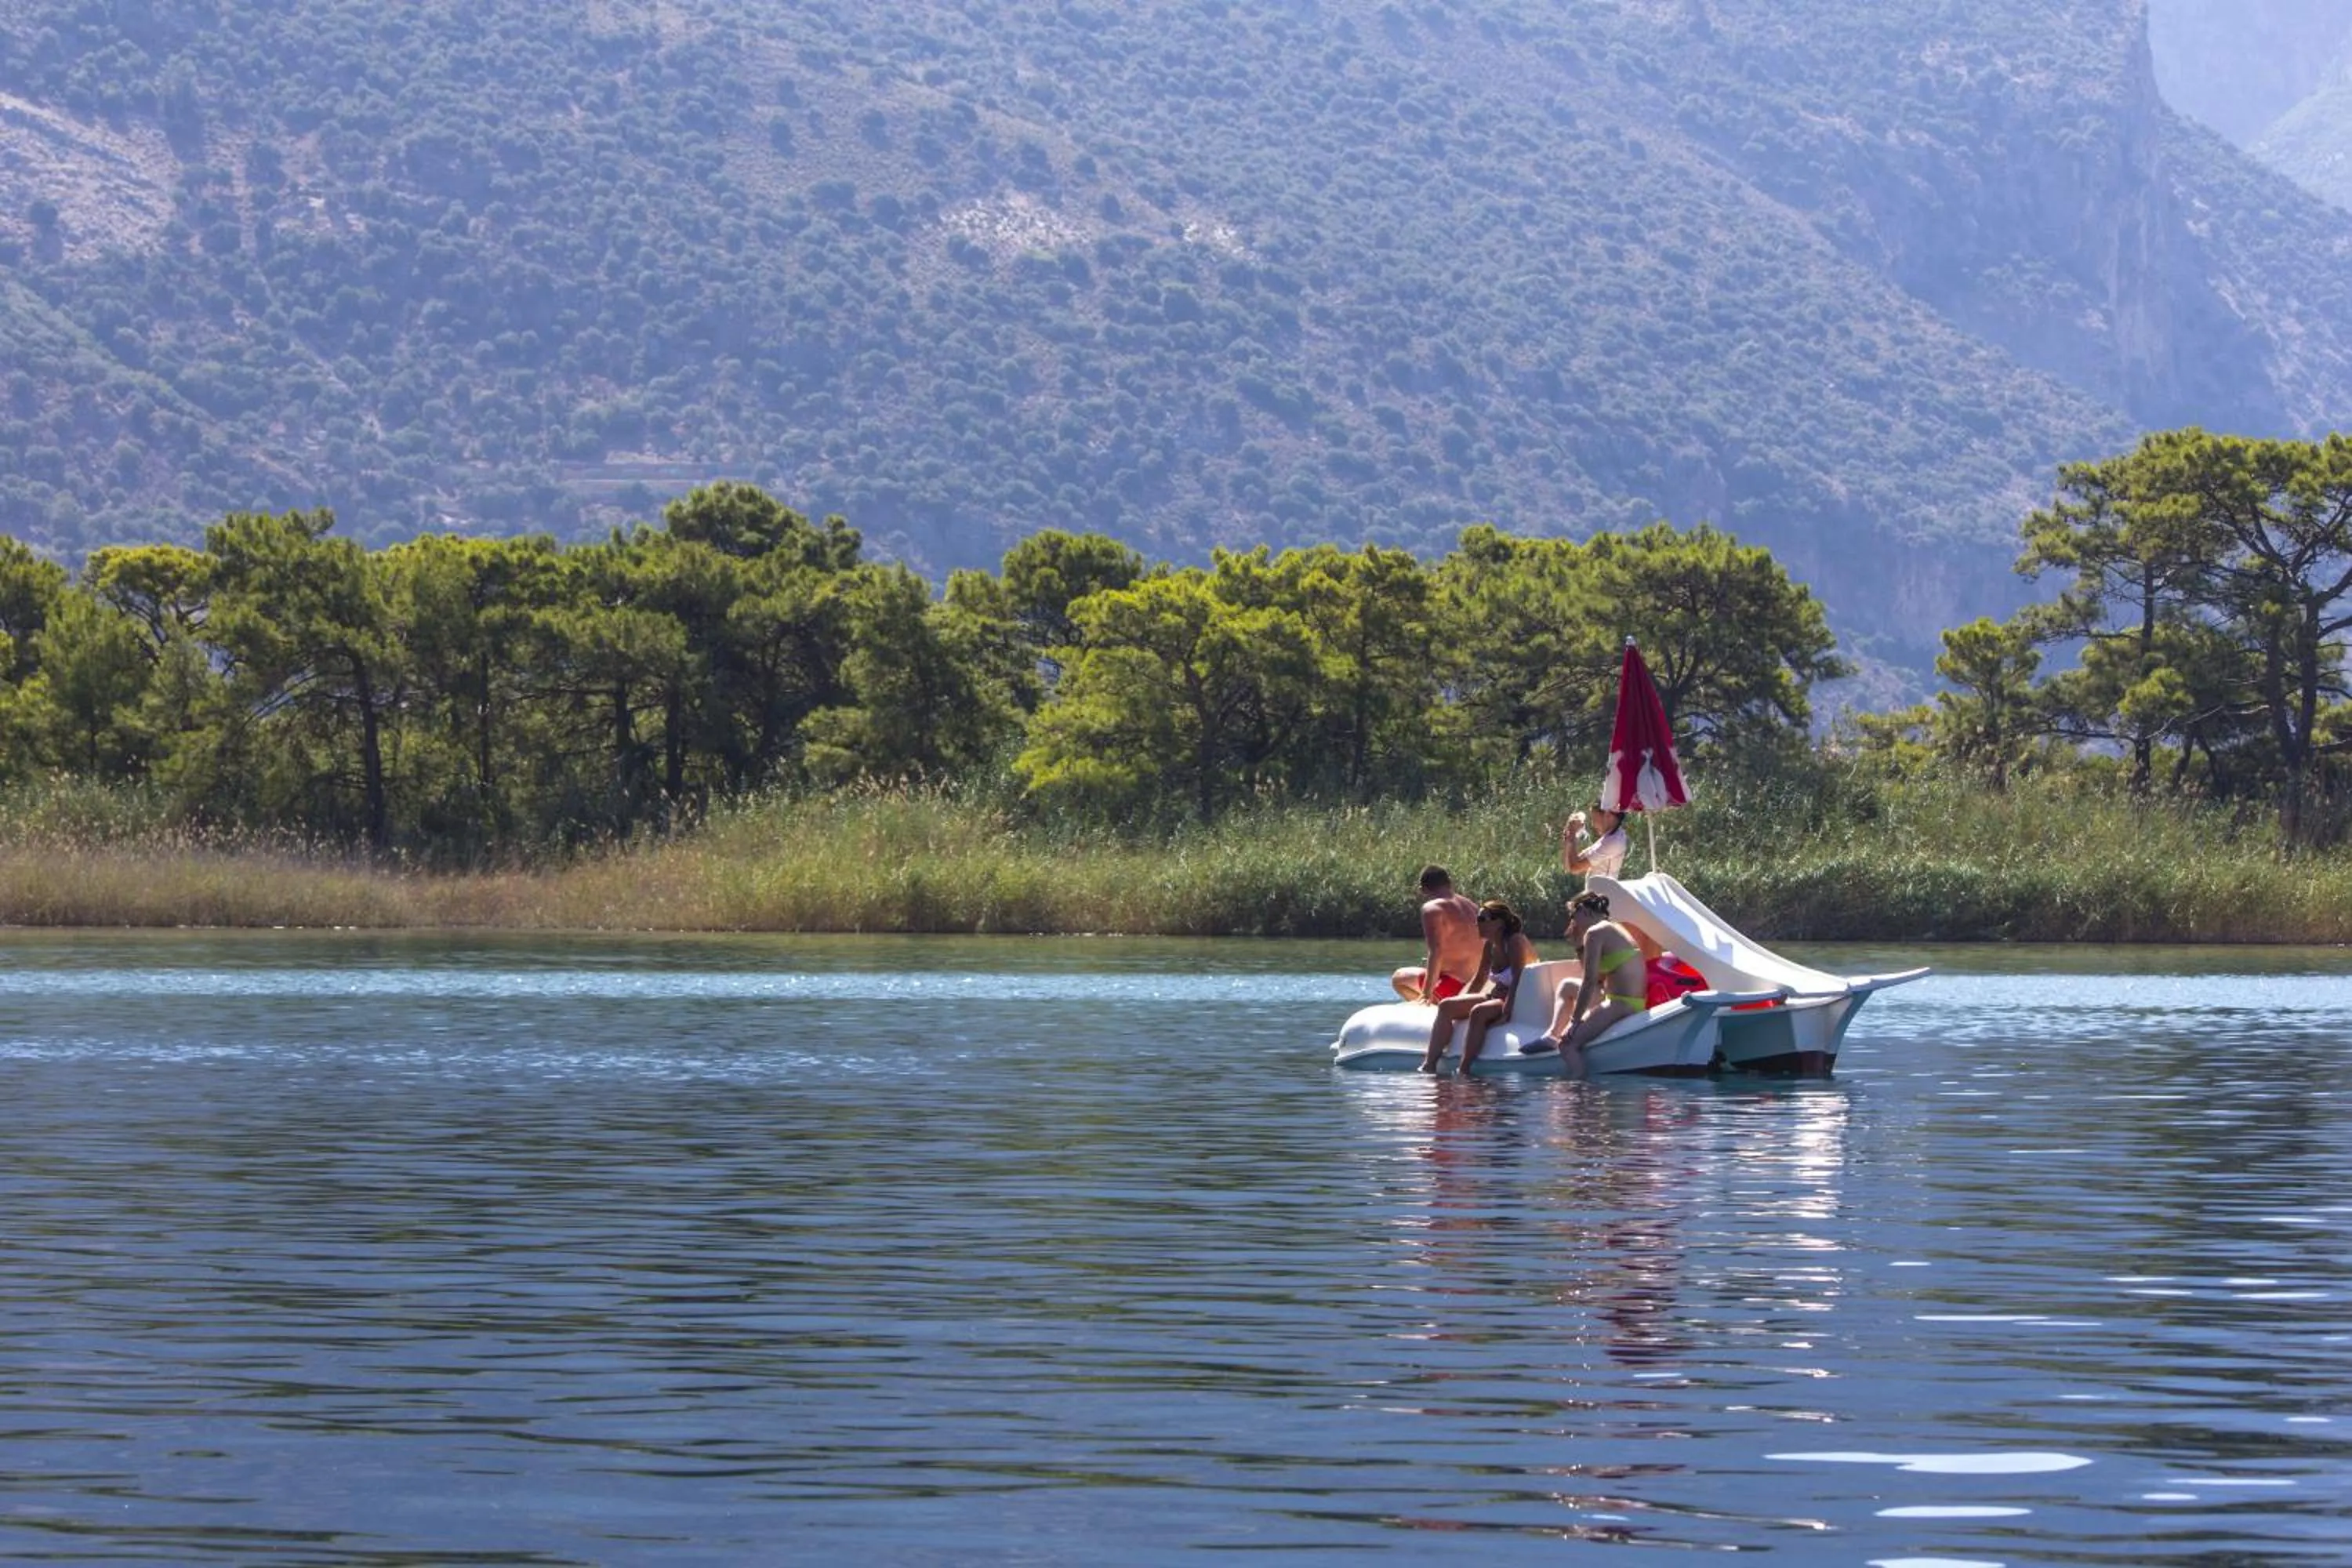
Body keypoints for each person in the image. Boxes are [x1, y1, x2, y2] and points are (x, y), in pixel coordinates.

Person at [1531, 891, 1650, 1073]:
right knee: (1567, 985)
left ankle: (1581, 1094)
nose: (1573, 923)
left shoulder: (1594, 933)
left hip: (1621, 1004)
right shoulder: (1615, 927)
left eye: (1573, 916)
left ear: (1583, 910)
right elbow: (1601, 978)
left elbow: (1589, 981)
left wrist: (1575, 1021)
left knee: (1566, 1044)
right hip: (1630, 1001)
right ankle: (1551, 1034)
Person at [1418, 899, 1538, 1075]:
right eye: (1477, 920)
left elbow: (1519, 978)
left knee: (1478, 1012)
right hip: (1496, 996)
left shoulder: (1515, 941)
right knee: (1446, 1006)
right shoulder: (1490, 945)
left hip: (1518, 999)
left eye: (1482, 920)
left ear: (1498, 923)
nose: (1477, 924)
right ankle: (1429, 1064)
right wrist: (1461, 1000)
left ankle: (1464, 1068)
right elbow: (1480, 978)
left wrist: (1507, 1012)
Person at [1391, 865, 1483, 1003]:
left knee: (1399, 978)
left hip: (1455, 987)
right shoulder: (1472, 906)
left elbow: (1436, 952)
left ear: (1422, 889)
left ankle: (1430, 1006)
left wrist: (1426, 994)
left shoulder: (1432, 909)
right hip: (1479, 985)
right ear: (1450, 882)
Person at [1561, 803, 1630, 885]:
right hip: (1596, 893)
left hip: (1602, 895)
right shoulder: (1608, 838)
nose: (1593, 825)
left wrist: (1572, 835)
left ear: (1607, 815)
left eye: (1595, 819)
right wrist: (1569, 838)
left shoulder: (1613, 842)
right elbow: (1570, 866)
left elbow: (1575, 867)